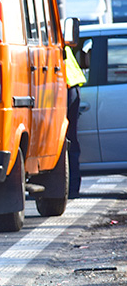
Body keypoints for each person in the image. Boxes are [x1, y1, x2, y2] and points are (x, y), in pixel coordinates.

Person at [65, 43, 86, 198]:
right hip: (71, 86)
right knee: (70, 139)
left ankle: (71, 188)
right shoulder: (61, 41)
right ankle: (72, 187)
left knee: (67, 141)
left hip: (65, 87)